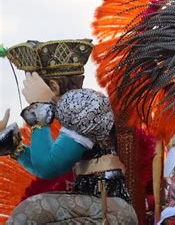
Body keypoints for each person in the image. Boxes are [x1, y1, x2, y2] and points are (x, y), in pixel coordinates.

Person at [1, 73, 137, 224]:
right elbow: (43, 166)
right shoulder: (71, 113)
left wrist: (39, 106)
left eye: (33, 82)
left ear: (53, 86)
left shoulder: (86, 105)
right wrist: (11, 144)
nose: (27, 90)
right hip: (95, 203)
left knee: (29, 211)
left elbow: (47, 166)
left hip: (109, 207)